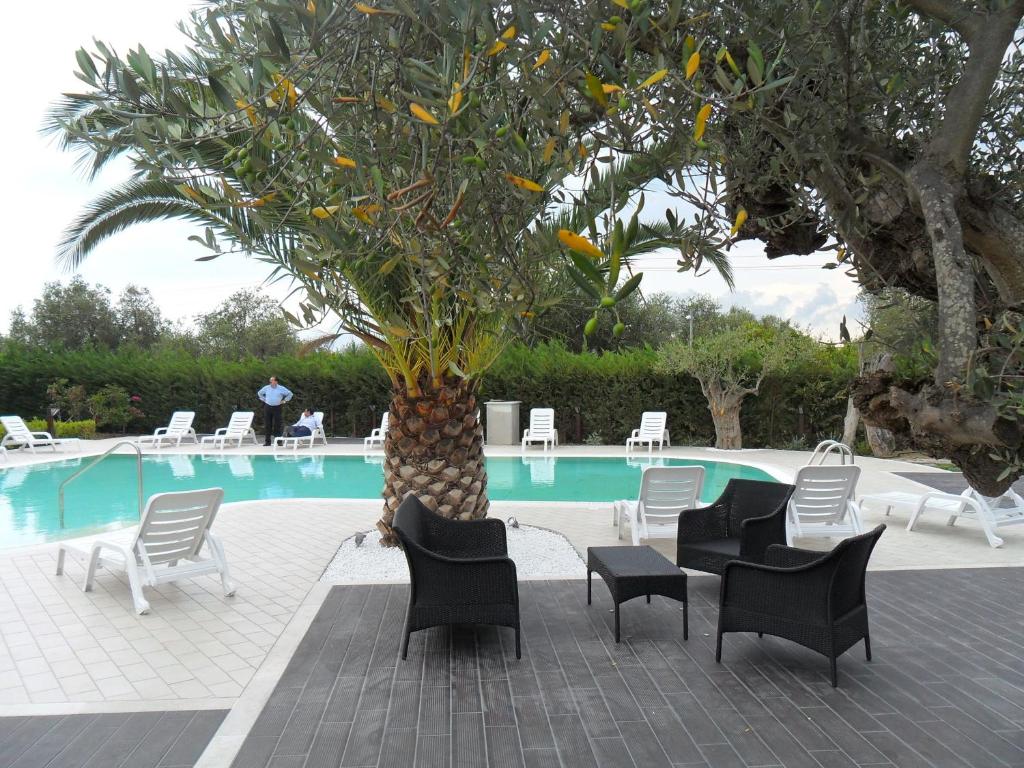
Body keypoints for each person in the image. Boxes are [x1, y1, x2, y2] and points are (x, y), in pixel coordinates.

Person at [257, 376, 293, 445]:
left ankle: (279, 442)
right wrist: (264, 399)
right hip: (268, 407)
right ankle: (267, 442)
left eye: (272, 380)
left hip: (277, 407)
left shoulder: (281, 388)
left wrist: (284, 400)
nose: (270, 382)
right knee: (267, 424)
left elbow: (290, 394)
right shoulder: (266, 387)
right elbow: (259, 393)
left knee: (277, 424)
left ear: (276, 381)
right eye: (270, 381)